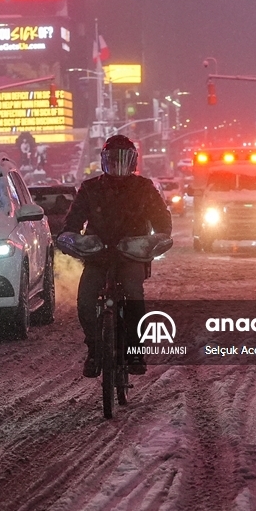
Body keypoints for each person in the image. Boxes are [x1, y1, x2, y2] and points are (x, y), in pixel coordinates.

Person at [62, 135, 172, 378]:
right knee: (86, 299)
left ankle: (135, 352)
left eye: (124, 160)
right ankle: (93, 348)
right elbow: (72, 221)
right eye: (113, 159)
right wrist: (69, 237)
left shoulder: (144, 187)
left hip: (131, 257)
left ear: (133, 162)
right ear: (104, 161)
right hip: (98, 257)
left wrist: (157, 239)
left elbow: (162, 220)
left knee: (133, 295)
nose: (118, 165)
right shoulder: (90, 189)